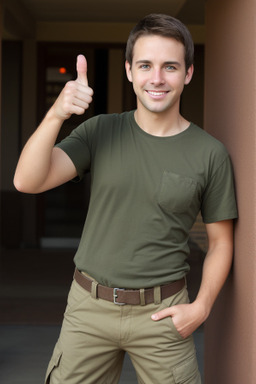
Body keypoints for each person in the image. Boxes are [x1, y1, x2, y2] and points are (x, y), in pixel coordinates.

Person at [14, 13, 237, 384]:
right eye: (146, 65)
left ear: (188, 73)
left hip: (164, 312)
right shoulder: (100, 131)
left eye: (170, 66)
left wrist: (201, 307)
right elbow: (26, 181)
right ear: (130, 71)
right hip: (89, 309)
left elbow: (221, 243)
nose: (157, 78)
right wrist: (57, 113)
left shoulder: (209, 153)